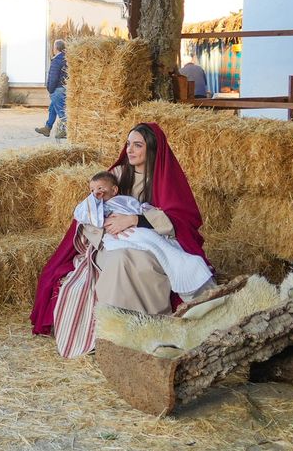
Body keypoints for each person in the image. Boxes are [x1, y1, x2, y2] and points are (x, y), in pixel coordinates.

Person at [32, 123, 212, 357]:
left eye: (138, 145)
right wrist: (107, 229)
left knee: (136, 262)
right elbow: (91, 210)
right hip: (112, 240)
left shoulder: (165, 179)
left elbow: (182, 220)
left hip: (153, 241)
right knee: (119, 259)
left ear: (152, 149)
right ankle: (113, 333)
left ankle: (144, 329)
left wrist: (135, 220)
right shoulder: (116, 175)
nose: (130, 150)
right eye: (128, 144)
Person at [75, 171, 214, 299]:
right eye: (92, 190)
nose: (96, 193)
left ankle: (188, 268)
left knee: (159, 245)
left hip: (138, 229)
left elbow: (140, 208)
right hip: (120, 235)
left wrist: (136, 217)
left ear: (114, 190)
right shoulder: (98, 206)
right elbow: (82, 214)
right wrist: (96, 205)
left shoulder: (125, 200)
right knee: (144, 249)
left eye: (100, 188)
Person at [37, 39, 68, 138]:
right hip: (64, 88)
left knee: (61, 111)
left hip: (57, 89)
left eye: (54, 47)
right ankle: (47, 128)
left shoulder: (57, 60)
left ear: (56, 48)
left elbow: (53, 77)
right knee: (52, 108)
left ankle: (67, 130)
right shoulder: (66, 58)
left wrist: (50, 90)